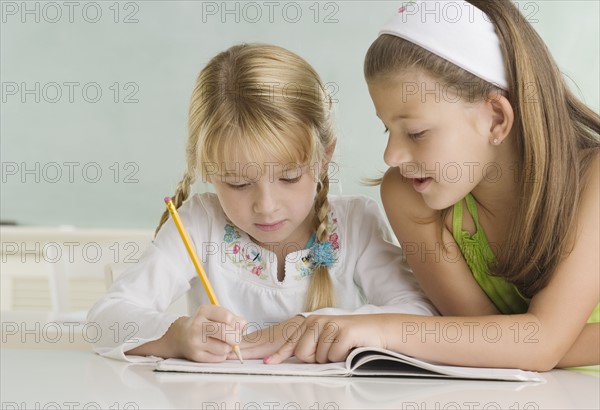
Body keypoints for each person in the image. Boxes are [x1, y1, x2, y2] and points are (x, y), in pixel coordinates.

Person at [267, 0, 599, 370]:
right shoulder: (410, 196)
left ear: (496, 119)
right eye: (387, 129)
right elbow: (485, 339)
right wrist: (543, 343)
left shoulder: (594, 180)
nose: (391, 155)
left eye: (416, 132)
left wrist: (381, 330)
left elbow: (530, 346)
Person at [87, 43, 437, 362]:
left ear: (324, 157)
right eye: (238, 183)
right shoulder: (200, 223)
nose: (266, 206)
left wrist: (307, 325)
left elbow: (420, 316)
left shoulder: (357, 224)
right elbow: (105, 320)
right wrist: (176, 336)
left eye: (289, 178)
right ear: (207, 169)